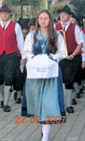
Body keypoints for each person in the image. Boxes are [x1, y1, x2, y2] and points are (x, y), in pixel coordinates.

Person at [22, 10, 66, 141]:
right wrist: (32, 57)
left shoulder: (57, 35)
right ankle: (43, 131)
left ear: (50, 20)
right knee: (38, 104)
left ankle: (45, 136)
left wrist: (52, 57)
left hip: (51, 75)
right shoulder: (31, 35)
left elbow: (62, 53)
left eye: (45, 18)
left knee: (48, 104)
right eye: (40, 18)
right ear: (37, 20)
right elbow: (26, 51)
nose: (43, 21)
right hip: (36, 74)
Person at [0, 4, 24, 112]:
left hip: (11, 55)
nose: (4, 15)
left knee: (8, 78)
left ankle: (7, 103)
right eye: (2, 13)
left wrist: (23, 56)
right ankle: (3, 98)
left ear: (9, 14)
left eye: (6, 13)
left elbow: (20, 42)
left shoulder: (15, 26)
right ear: (0, 15)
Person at [55, 5, 83, 113]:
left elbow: (80, 43)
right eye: (61, 14)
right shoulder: (55, 27)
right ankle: (60, 104)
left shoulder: (74, 27)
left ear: (69, 16)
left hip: (71, 57)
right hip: (60, 57)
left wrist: (74, 54)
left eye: (65, 14)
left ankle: (69, 104)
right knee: (60, 80)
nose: (62, 16)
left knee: (69, 80)